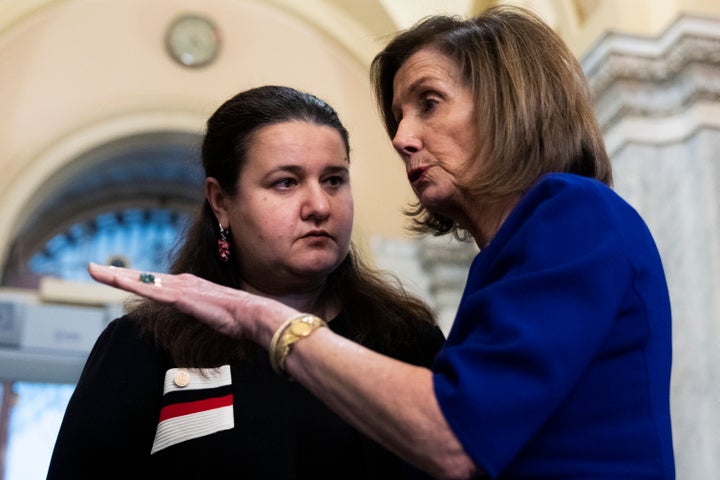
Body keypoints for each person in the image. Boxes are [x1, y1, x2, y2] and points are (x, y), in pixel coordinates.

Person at [86, 6, 675, 479]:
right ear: (221, 201)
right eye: (285, 182)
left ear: (507, 106)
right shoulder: (504, 261)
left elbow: (453, 436)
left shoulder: (573, 216)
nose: (401, 138)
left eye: (428, 103)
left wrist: (259, 318)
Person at [47, 85, 446, 479]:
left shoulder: (405, 340)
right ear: (221, 202)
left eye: (334, 180)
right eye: (285, 183)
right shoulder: (147, 344)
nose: (320, 206)